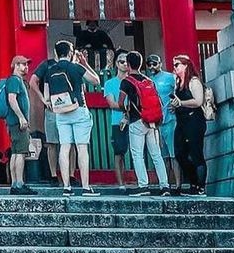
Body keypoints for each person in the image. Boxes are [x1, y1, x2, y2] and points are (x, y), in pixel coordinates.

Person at [31, 39, 102, 194]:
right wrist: (84, 63)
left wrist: (45, 101)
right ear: (70, 53)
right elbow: (96, 81)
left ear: (56, 53)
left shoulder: (50, 69)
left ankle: (66, 187)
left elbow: (48, 92)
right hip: (78, 109)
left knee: (64, 147)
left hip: (61, 112)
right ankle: (85, 186)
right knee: (81, 148)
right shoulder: (75, 67)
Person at [118, 50, 169, 196]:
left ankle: (143, 186)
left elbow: (120, 102)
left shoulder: (126, 82)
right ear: (141, 64)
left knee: (137, 154)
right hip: (152, 121)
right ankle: (164, 186)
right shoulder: (149, 81)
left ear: (128, 65)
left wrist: (126, 111)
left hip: (137, 121)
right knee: (156, 155)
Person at [172, 54, 208, 195]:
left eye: (177, 65)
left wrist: (182, 103)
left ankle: (200, 186)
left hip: (194, 120)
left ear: (186, 65)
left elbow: (198, 101)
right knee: (180, 153)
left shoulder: (193, 81)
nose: (174, 68)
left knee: (196, 153)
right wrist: (175, 105)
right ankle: (192, 182)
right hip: (181, 121)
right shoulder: (178, 83)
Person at [146, 55, 180, 194]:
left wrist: (177, 105)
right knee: (162, 156)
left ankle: (177, 185)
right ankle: (165, 184)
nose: (152, 67)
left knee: (174, 155)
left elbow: (180, 93)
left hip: (170, 120)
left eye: (154, 63)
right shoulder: (148, 81)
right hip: (155, 123)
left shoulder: (170, 78)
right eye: (149, 64)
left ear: (160, 63)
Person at [3, 55, 35, 196]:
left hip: (13, 123)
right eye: (23, 64)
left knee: (15, 153)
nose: (26, 67)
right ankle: (19, 183)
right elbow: (12, 99)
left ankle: (15, 183)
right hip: (18, 123)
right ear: (16, 65)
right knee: (21, 153)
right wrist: (22, 117)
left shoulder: (15, 81)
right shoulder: (15, 81)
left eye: (27, 64)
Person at [101, 53, 132, 190]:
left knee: (137, 152)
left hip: (135, 121)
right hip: (117, 121)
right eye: (121, 61)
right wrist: (129, 110)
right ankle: (121, 183)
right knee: (119, 152)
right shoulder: (110, 83)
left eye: (126, 62)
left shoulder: (133, 81)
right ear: (116, 64)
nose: (124, 64)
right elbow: (112, 104)